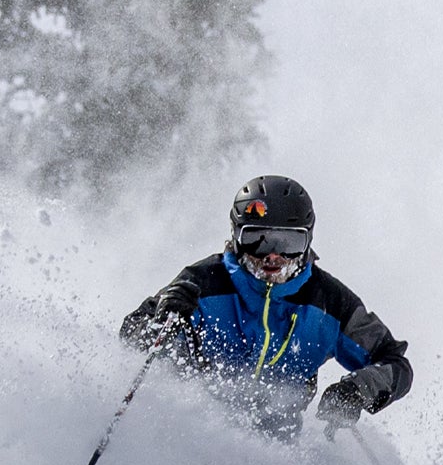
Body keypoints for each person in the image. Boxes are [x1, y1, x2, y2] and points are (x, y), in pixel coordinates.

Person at [120, 175, 413, 440]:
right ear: (237, 237)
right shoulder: (203, 284)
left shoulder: (329, 303)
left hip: (279, 454)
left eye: (288, 242)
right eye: (257, 240)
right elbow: (132, 333)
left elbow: (394, 363)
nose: (273, 255)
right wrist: (162, 321)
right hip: (190, 436)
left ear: (307, 241)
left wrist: (357, 390)